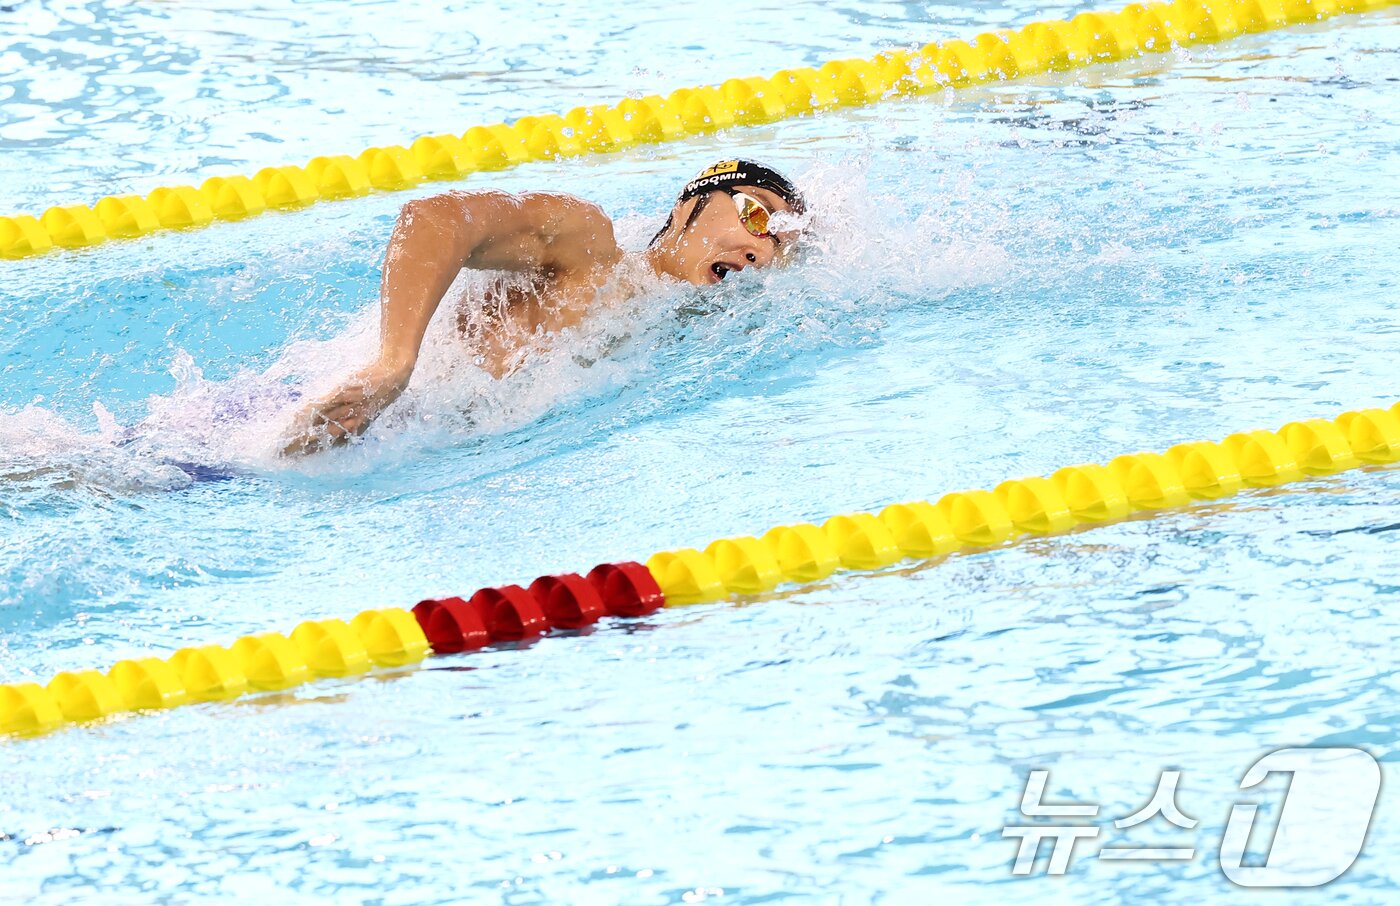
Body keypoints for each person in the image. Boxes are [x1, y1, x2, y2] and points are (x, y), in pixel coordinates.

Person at [277, 158, 806, 456]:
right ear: (692, 203)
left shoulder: (677, 339)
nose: (761, 249)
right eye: (756, 217)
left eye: (780, 244)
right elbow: (432, 219)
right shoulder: (587, 248)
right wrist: (392, 365)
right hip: (302, 419)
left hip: (372, 445)